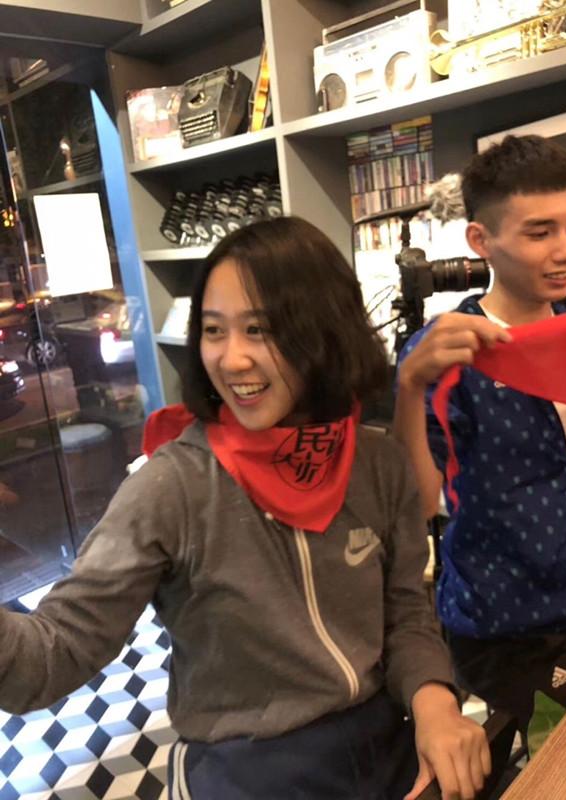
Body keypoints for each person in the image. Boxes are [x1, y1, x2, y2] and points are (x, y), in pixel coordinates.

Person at [0, 217, 489, 800]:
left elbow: (406, 613)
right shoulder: (172, 487)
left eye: (259, 330)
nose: (231, 360)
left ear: (323, 331)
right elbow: (48, 657)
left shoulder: (376, 463)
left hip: (380, 744)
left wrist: (435, 704)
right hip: (243, 769)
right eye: (213, 330)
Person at [395, 134, 566, 728]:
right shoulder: (448, 353)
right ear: (480, 241)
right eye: (540, 233)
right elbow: (417, 505)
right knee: (563, 756)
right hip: (505, 625)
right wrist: (410, 387)